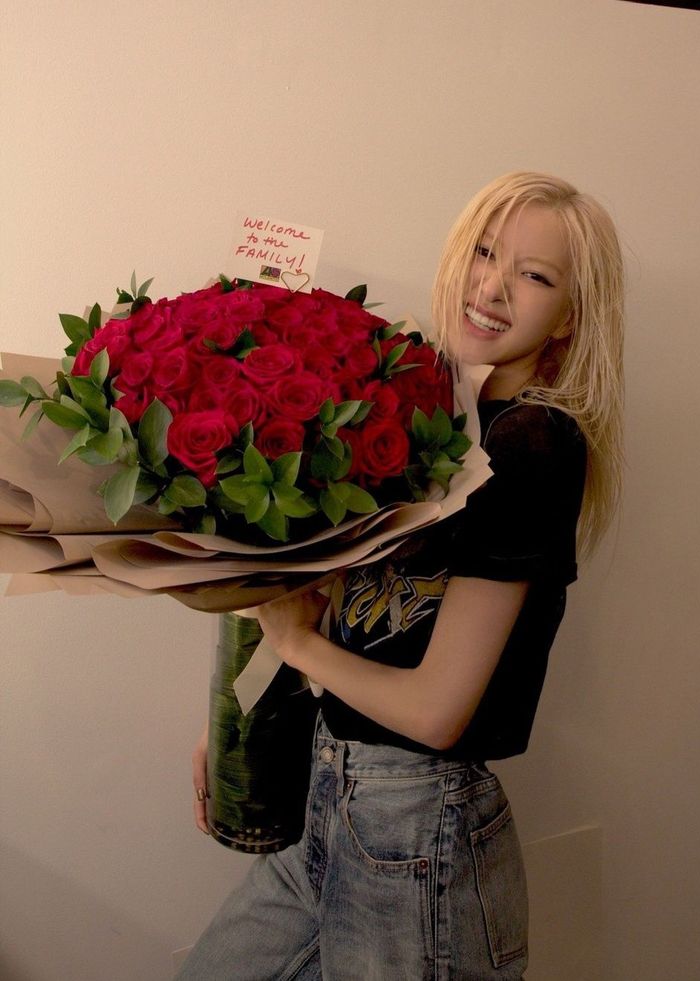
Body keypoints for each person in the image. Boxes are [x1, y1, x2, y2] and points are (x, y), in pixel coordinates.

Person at [178, 171, 625, 980]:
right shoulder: (422, 410)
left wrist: (296, 643)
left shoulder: (533, 445)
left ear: (568, 319)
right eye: (486, 252)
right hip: (329, 802)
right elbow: (336, 607)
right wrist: (232, 716)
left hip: (420, 837)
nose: (492, 285)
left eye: (534, 275)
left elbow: (436, 711)